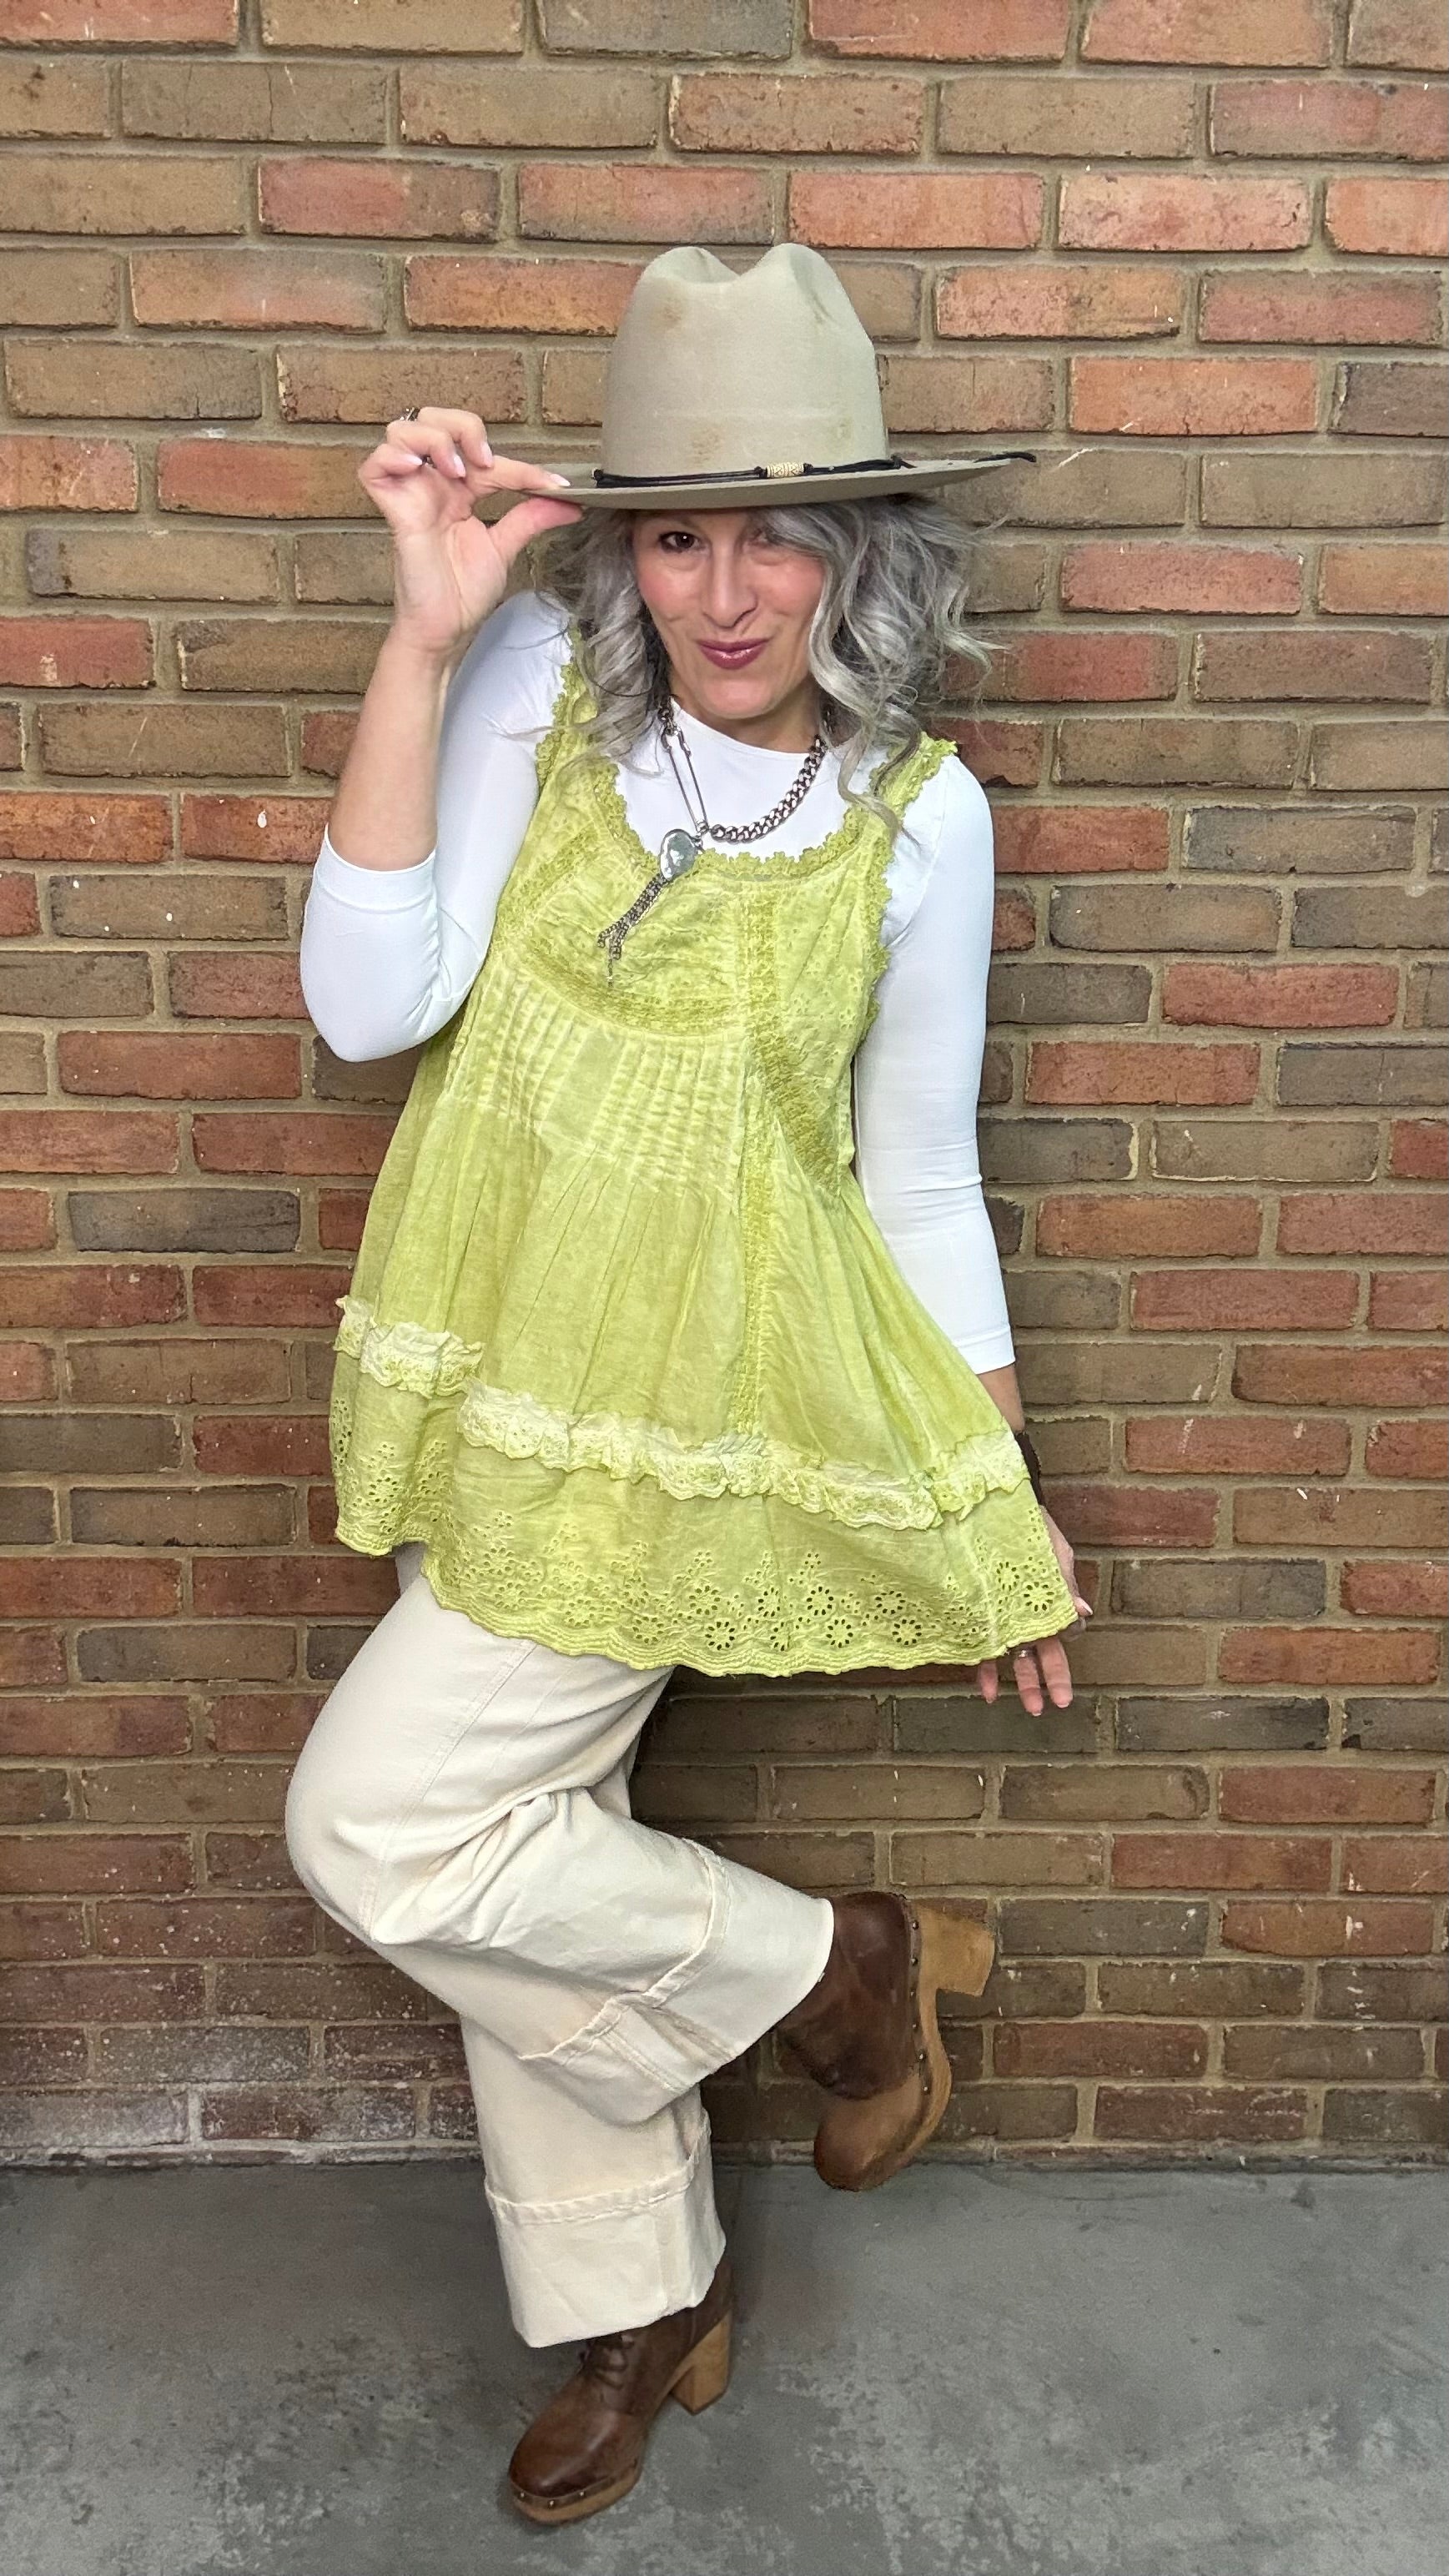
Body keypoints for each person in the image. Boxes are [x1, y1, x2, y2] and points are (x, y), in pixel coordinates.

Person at [284, 242, 1089, 2528]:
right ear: (615, 545)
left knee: (382, 1827)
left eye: (775, 531)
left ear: (859, 546)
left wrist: (984, 1500)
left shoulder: (913, 820)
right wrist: (427, 638)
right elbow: (366, 1005)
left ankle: (837, 1972)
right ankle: (644, 2294)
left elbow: (913, 1188)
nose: (723, 590)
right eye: (673, 529)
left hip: (702, 1408)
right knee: (524, 1850)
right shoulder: (539, 685)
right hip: (489, 1365)